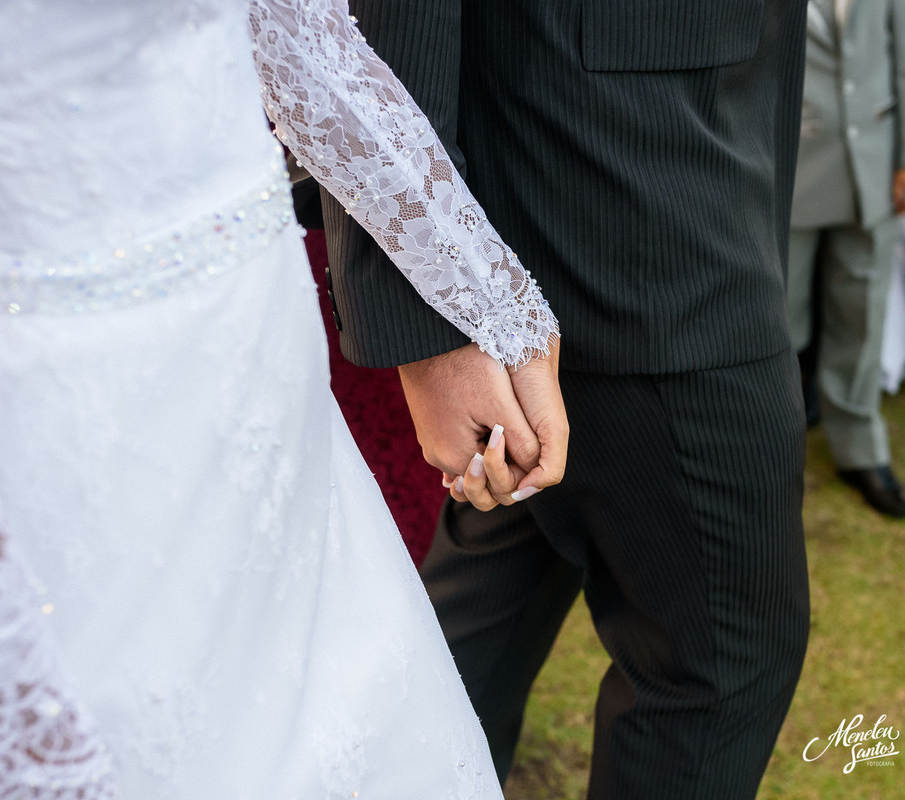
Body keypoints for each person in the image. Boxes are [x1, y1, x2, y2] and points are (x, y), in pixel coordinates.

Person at [0, 0, 565, 796]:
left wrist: (497, 305)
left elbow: (306, 47)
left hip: (261, 386)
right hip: (43, 430)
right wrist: (34, 766)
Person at [318, 0, 812, 795]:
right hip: (644, 222)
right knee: (720, 670)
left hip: (674, 158)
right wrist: (432, 328)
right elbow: (359, 43)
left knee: (466, 643)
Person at [789, 0, 905, 518]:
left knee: (862, 312)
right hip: (789, 172)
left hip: (872, 168)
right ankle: (772, 445)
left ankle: (860, 451)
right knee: (777, 318)